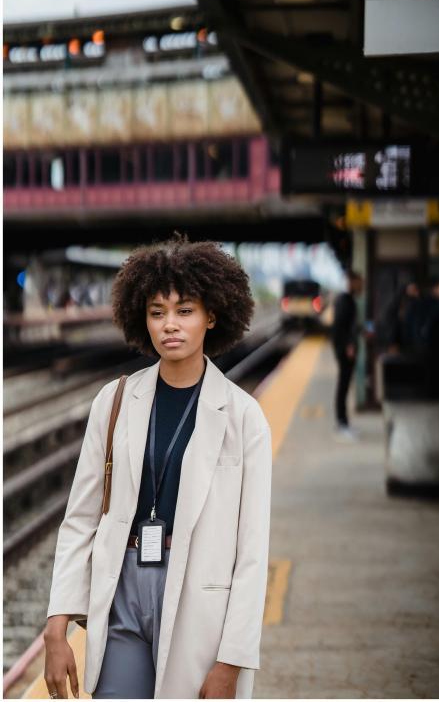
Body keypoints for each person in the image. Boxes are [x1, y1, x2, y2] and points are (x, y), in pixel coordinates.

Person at [44, 232, 272, 700]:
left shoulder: (244, 417)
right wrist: (57, 625)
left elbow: (252, 553)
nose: (171, 324)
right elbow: (80, 519)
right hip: (123, 590)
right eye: (157, 312)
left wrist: (232, 660)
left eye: (185, 311)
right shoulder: (116, 400)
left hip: (199, 601)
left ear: (212, 315)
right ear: (141, 319)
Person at [332, 270, 363, 441]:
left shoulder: (347, 299)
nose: (362, 286)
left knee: (344, 384)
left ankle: (343, 421)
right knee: (343, 385)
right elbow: (340, 327)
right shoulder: (346, 300)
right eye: (360, 282)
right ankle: (342, 422)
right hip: (345, 351)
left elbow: (349, 326)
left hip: (344, 349)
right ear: (352, 282)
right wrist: (348, 345)